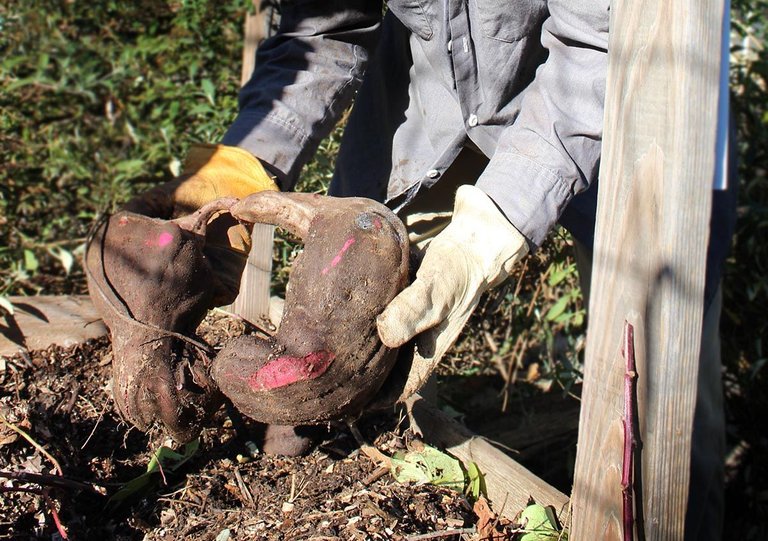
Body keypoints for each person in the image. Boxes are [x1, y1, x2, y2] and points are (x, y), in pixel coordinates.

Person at [122, 1, 734, 538]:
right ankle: (340, 449)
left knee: (661, 384)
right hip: (432, 93)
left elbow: (599, 42)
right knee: (346, 321)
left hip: (635, 95)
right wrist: (242, 165)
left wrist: (490, 230)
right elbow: (322, 26)